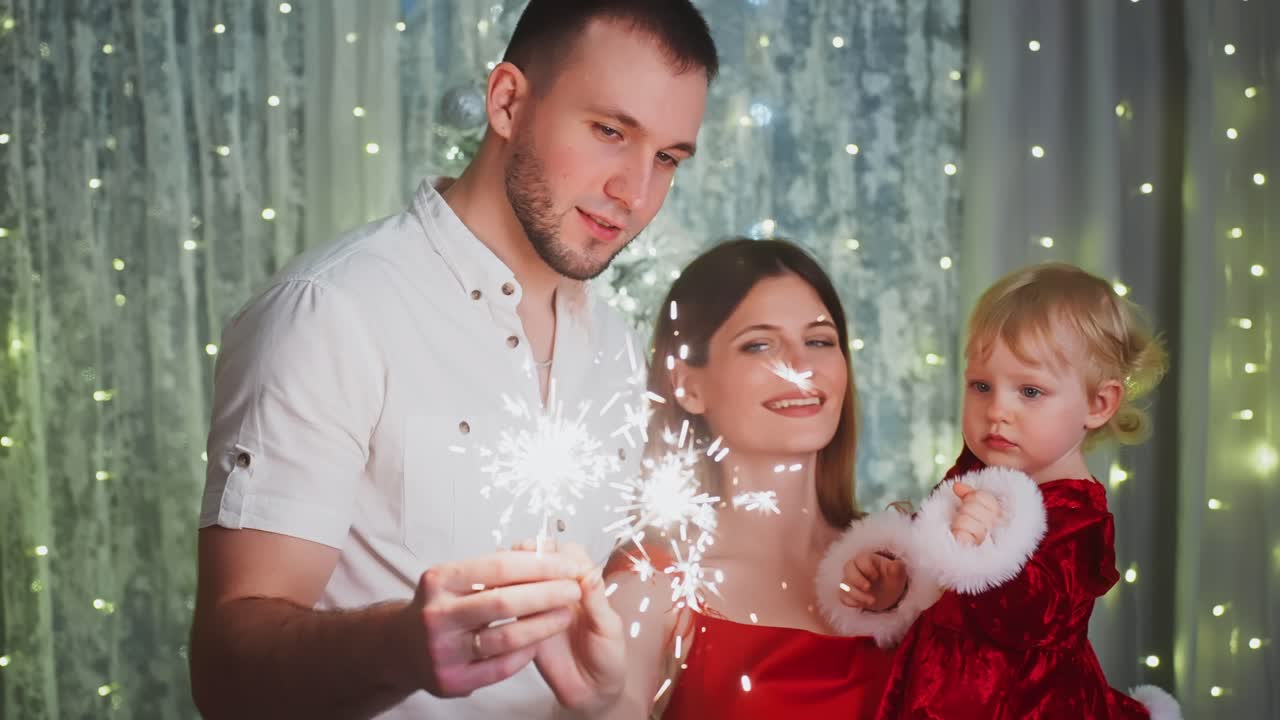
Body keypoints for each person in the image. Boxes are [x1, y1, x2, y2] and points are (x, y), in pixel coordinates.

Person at [188, 2, 718, 718]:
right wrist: (401, 648)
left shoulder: (618, 351)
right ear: (507, 102)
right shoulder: (332, 313)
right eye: (609, 132)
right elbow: (225, 678)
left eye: (666, 158)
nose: (635, 192)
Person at [598, 239, 996, 719]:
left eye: (819, 340)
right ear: (688, 384)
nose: (802, 366)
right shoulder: (649, 591)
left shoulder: (911, 568)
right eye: (759, 344)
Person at [839, 262, 1181, 719]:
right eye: (982, 385)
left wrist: (985, 549)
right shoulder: (978, 468)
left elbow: (1031, 616)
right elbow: (935, 565)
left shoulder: (1079, 516)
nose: (997, 409)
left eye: (1031, 392)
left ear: (1098, 404)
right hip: (937, 686)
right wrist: (897, 584)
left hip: (1023, 704)